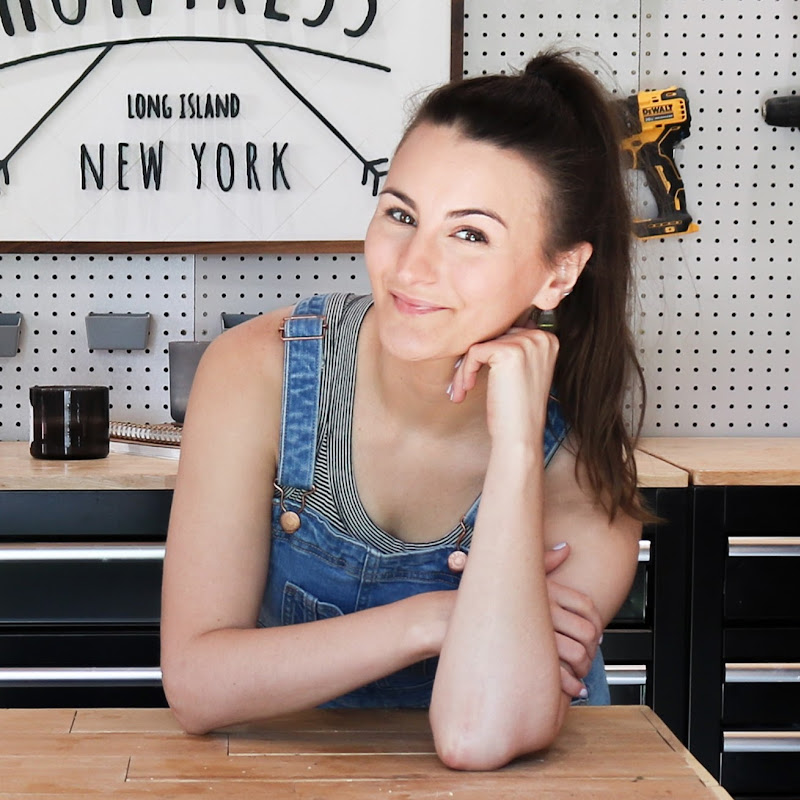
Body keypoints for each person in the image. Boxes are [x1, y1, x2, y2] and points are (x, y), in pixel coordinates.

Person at [160, 49, 650, 771]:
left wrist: (517, 450)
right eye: (400, 214)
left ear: (559, 273)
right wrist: (438, 617)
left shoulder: (580, 468)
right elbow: (197, 686)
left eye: (470, 234)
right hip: (300, 779)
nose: (413, 267)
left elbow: (476, 737)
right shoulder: (257, 369)